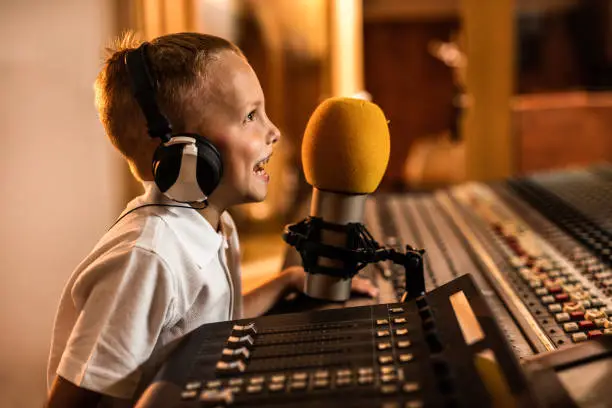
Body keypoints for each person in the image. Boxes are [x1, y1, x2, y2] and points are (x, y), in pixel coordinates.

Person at [45, 32, 377, 408]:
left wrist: (286, 281)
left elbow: (211, 327)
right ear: (186, 153)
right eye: (250, 116)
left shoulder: (210, 224)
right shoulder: (148, 259)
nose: (274, 132)